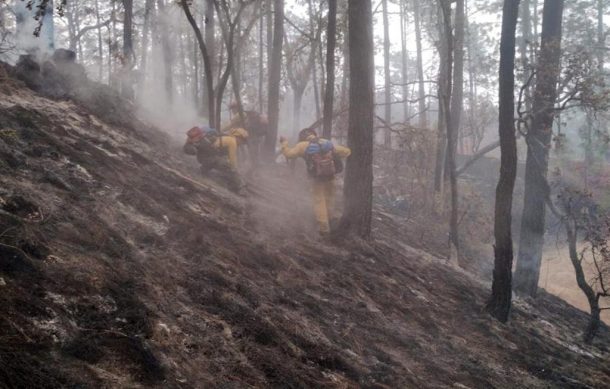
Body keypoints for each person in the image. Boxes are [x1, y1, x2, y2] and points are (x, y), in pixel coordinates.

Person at [279, 128, 351, 235]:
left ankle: (324, 228)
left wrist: (284, 143)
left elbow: (289, 154)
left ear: (302, 137)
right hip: (330, 176)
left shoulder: (302, 145)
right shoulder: (325, 142)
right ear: (314, 134)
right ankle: (331, 219)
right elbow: (346, 152)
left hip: (317, 178)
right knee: (330, 198)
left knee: (319, 200)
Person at [183, 126, 244, 193]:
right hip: (208, 158)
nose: (242, 142)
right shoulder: (232, 141)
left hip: (205, 157)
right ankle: (203, 172)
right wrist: (234, 169)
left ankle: (205, 171)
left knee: (217, 161)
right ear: (238, 137)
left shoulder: (204, 139)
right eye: (242, 140)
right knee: (223, 164)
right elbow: (233, 158)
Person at [222, 102, 268, 167]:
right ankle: (253, 165)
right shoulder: (244, 114)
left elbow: (229, 125)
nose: (232, 111)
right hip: (253, 135)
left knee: (248, 150)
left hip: (250, 135)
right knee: (253, 151)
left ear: (236, 108)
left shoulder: (239, 115)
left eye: (232, 109)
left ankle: (249, 166)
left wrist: (219, 130)